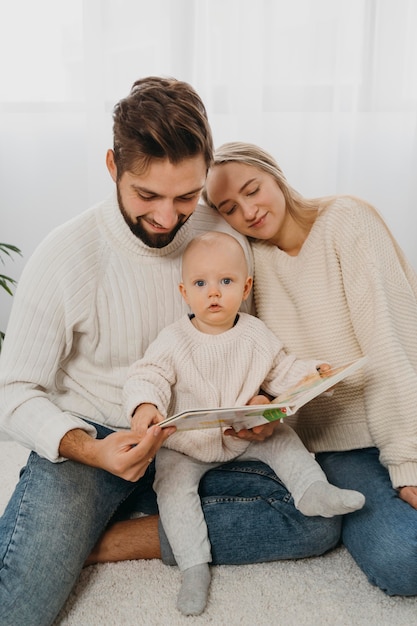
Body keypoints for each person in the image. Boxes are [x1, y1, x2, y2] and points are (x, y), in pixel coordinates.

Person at [0, 80, 342, 626]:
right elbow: (12, 391)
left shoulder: (219, 236)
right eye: (148, 196)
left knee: (317, 519)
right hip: (99, 437)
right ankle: (106, 514)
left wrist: (258, 402)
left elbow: (254, 335)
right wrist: (91, 449)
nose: (166, 217)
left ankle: (116, 537)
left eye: (186, 196)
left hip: (200, 437)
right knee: (17, 606)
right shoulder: (65, 256)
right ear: (114, 166)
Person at [202, 141, 417, 597]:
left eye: (252, 189)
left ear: (274, 173)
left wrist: (407, 461)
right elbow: (261, 355)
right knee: (405, 556)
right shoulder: (251, 263)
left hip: (403, 419)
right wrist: (260, 403)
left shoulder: (347, 220)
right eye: (230, 208)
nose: (248, 211)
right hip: (335, 448)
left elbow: (392, 343)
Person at [125, 231, 365, 615]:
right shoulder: (172, 339)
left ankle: (312, 491)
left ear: (246, 286)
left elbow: (282, 370)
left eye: (226, 281)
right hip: (187, 445)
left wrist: (312, 374)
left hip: (243, 435)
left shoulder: (255, 333)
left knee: (284, 438)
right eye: (201, 284)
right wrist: (143, 407)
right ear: (184, 292)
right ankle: (193, 564)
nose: (214, 293)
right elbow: (147, 374)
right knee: (169, 486)